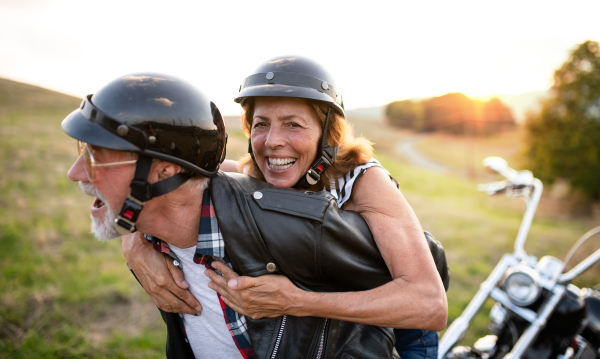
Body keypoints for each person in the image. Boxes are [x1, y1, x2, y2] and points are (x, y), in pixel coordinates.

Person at [63, 72, 412, 359]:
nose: (273, 140)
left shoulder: (365, 181)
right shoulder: (255, 174)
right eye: (261, 124)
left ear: (327, 135)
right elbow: (184, 178)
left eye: (293, 124)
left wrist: (296, 301)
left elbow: (426, 302)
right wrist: (135, 240)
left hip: (398, 316)